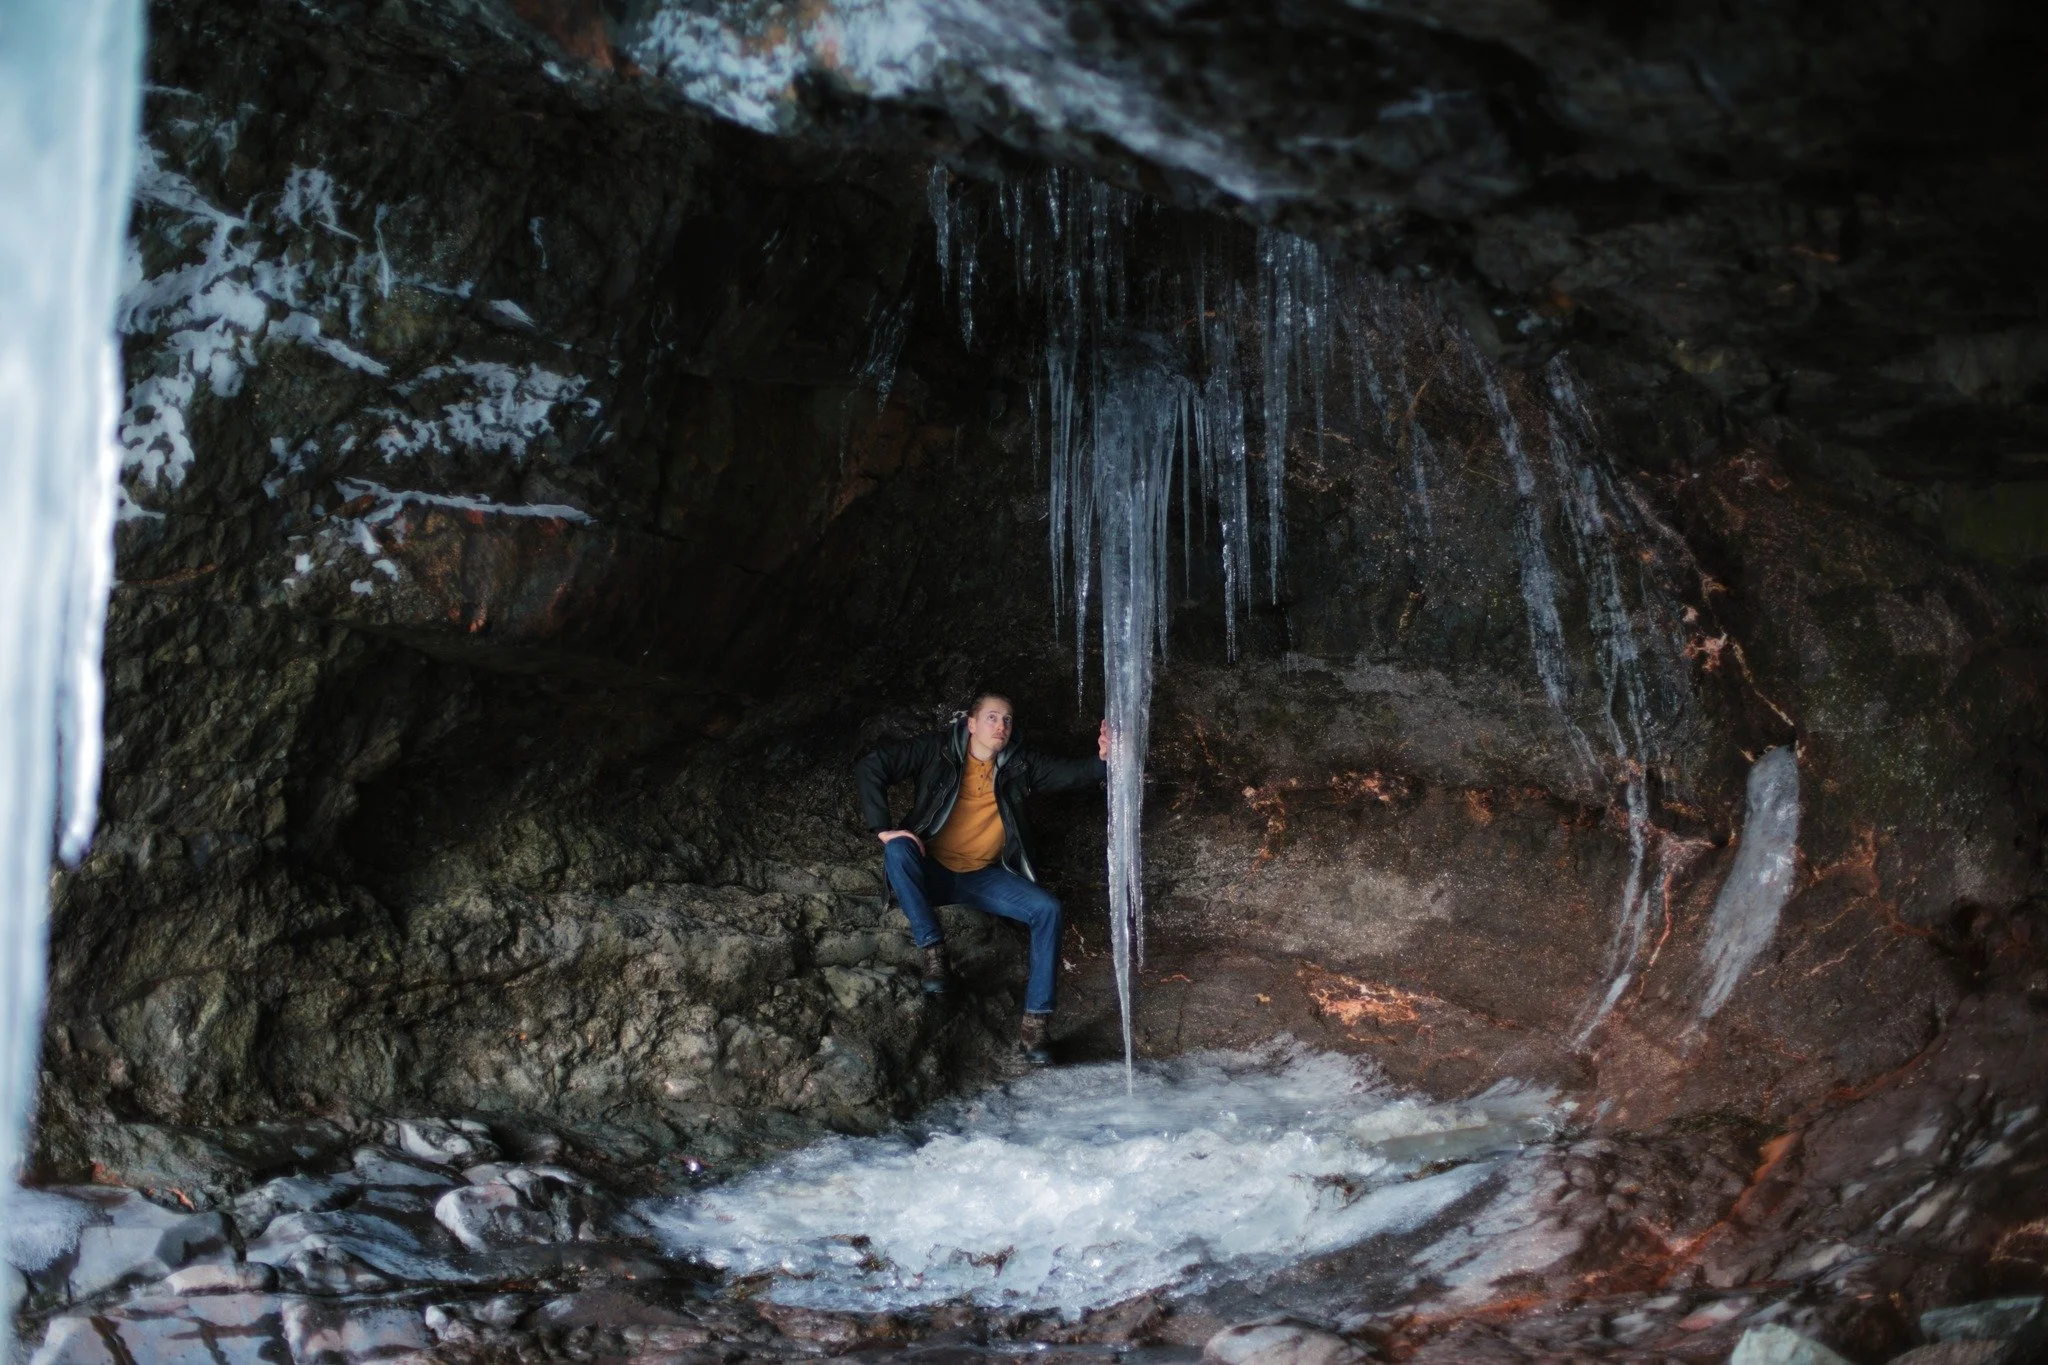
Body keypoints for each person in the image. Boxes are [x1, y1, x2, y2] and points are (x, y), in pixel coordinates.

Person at [853, 692, 1108, 1065]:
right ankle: (934, 953)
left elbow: (1072, 773)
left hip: (983, 878)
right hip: (931, 873)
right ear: (971, 724)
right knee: (896, 851)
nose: (1001, 726)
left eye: (1006, 720)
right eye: (991, 717)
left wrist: (1103, 759)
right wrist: (883, 829)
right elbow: (871, 766)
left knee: (1047, 909)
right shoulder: (936, 751)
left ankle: (1035, 1025)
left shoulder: (1020, 764)